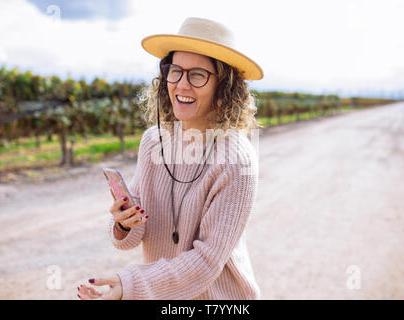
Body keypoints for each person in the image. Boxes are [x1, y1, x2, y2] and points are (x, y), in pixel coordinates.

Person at [77, 16, 264, 300]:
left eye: (197, 75)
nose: (181, 84)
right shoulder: (153, 141)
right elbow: (137, 234)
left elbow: (207, 261)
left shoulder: (236, 159)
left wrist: (128, 285)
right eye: (175, 71)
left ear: (225, 85)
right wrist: (125, 223)